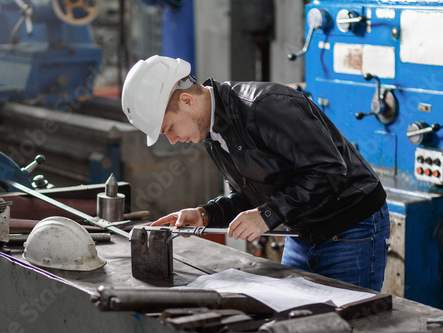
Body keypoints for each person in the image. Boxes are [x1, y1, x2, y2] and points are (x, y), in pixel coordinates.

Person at [121, 55, 390, 292]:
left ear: (187, 100)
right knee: (300, 319)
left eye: (168, 128)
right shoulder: (213, 133)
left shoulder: (266, 105)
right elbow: (255, 192)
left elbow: (329, 170)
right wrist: (206, 214)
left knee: (351, 322)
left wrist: (267, 215)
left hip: (351, 228)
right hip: (302, 232)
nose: (172, 139)